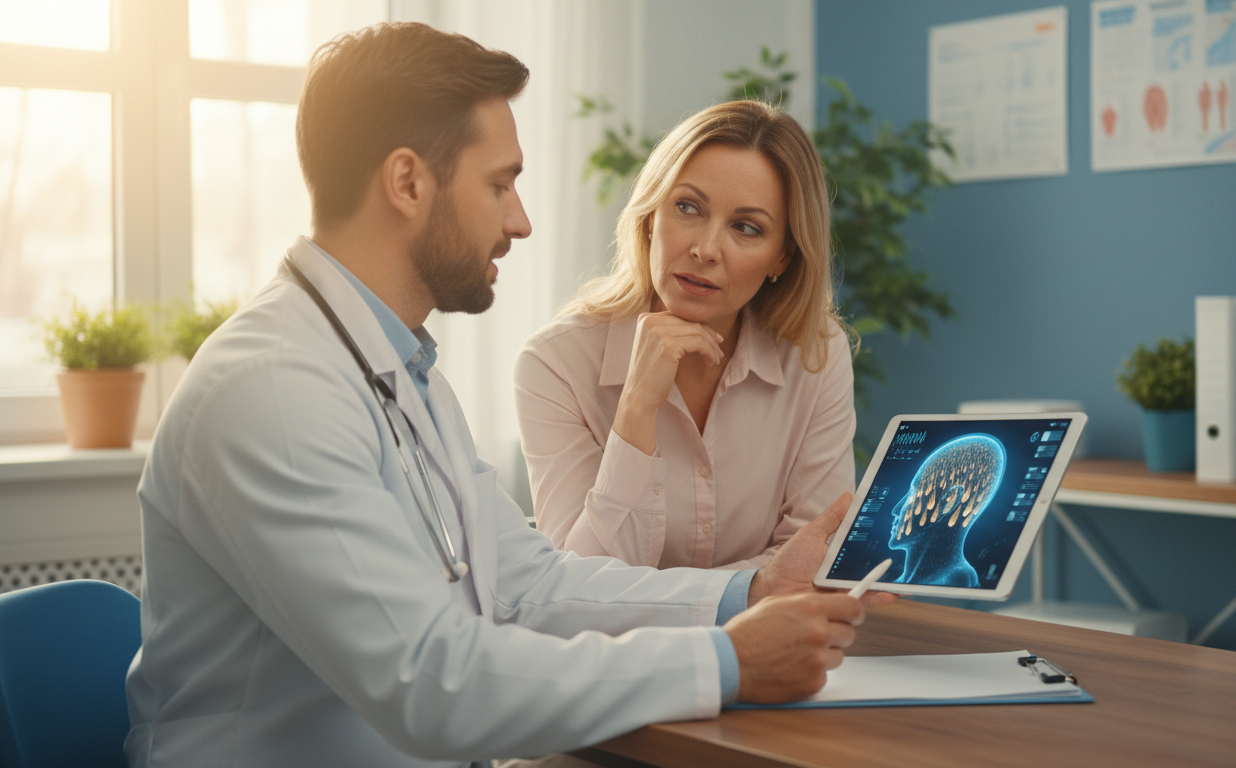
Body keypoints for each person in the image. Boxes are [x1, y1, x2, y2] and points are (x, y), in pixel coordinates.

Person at [125, 23, 891, 768]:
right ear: (407, 182)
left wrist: (750, 590)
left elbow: (528, 586)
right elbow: (432, 683)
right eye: (500, 184)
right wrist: (724, 658)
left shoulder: (398, 375)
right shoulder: (274, 391)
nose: (520, 222)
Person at [515, 100, 855, 570]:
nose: (705, 249)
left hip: (772, 642)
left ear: (782, 257)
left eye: (746, 228)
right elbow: (574, 588)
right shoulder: (554, 363)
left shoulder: (816, 354)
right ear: (651, 215)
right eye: (688, 207)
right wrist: (636, 408)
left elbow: (811, 555)